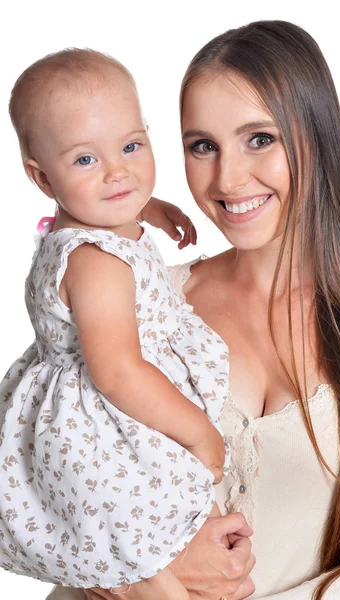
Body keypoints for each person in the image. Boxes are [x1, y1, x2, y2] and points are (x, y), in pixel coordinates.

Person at [53, 19, 340, 600]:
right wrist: (138, 576)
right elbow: (33, 470)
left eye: (259, 138)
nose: (229, 178)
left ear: (316, 135)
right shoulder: (134, 300)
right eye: (203, 147)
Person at [0, 47, 244, 598]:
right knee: (137, 544)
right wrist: (200, 433)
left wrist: (150, 207)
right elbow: (118, 373)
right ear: (42, 178)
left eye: (132, 146)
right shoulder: (98, 263)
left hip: (90, 411)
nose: (119, 172)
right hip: (104, 429)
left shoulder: (95, 220)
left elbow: (113, 192)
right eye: (86, 160)